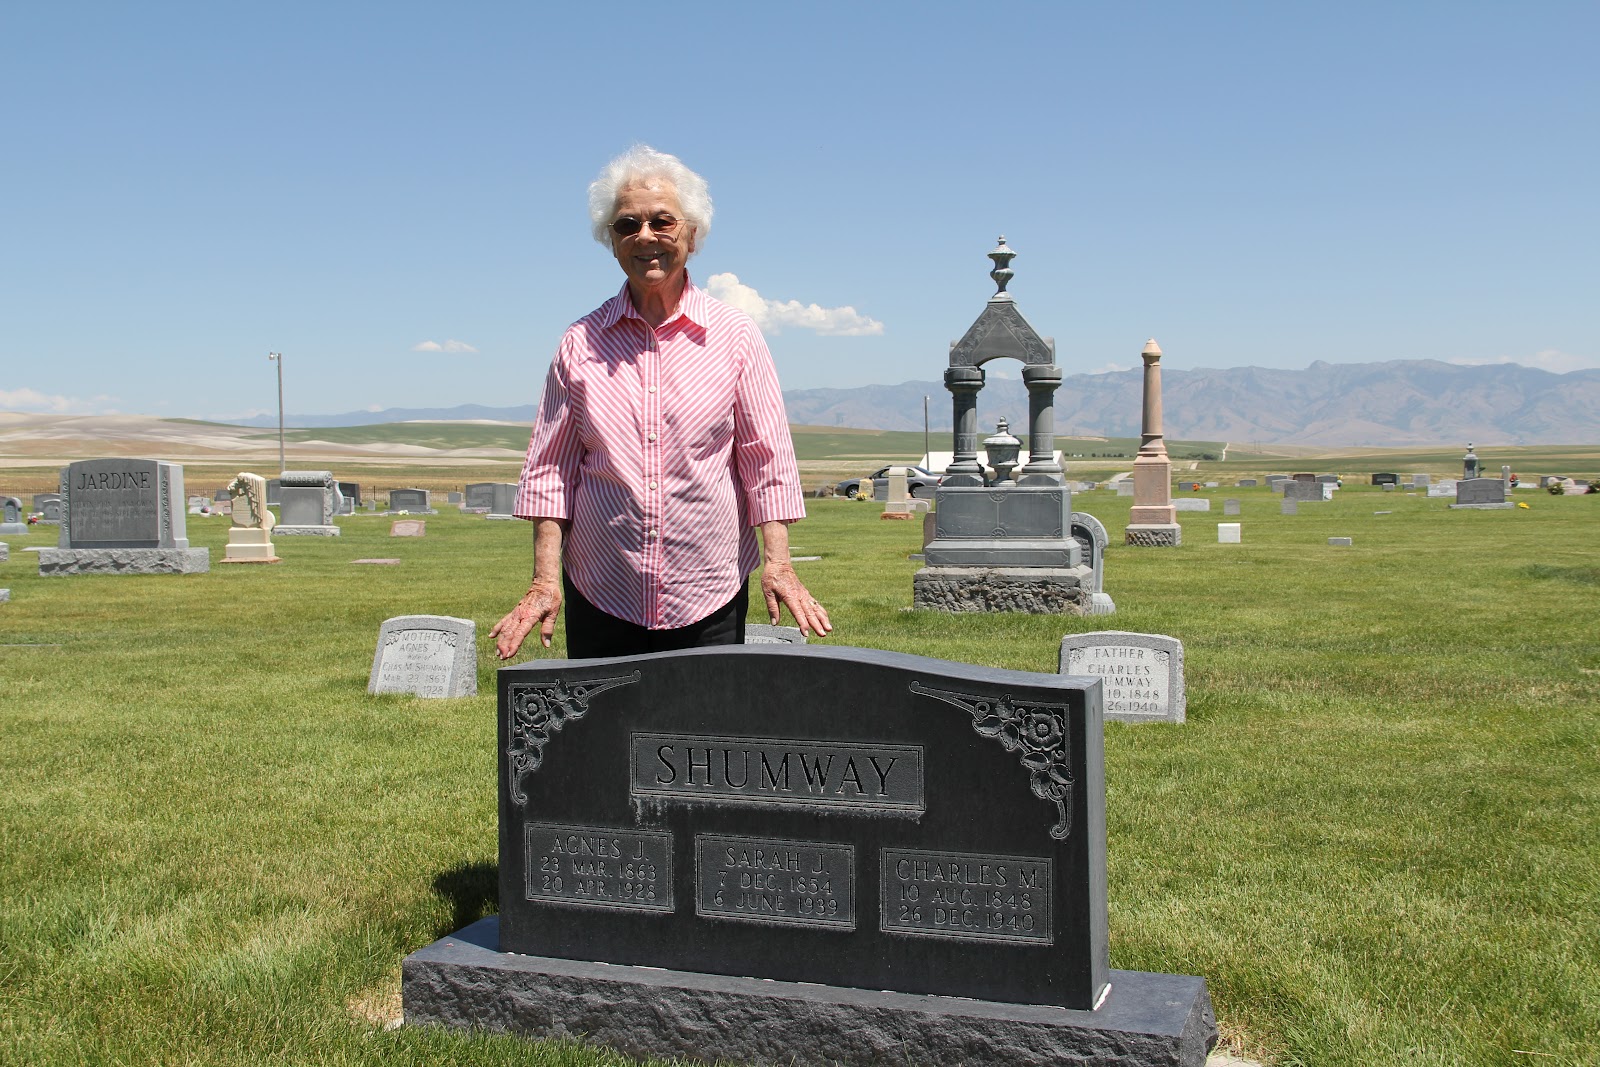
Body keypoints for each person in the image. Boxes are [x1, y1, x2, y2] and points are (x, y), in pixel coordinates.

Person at [490, 146, 831, 660]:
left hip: (709, 589)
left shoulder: (736, 336)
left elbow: (766, 461)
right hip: (602, 587)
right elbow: (551, 470)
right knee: (603, 715)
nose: (645, 236)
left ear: (691, 234)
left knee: (702, 716)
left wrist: (778, 564)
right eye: (627, 225)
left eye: (662, 221)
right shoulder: (579, 342)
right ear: (612, 241)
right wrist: (544, 581)